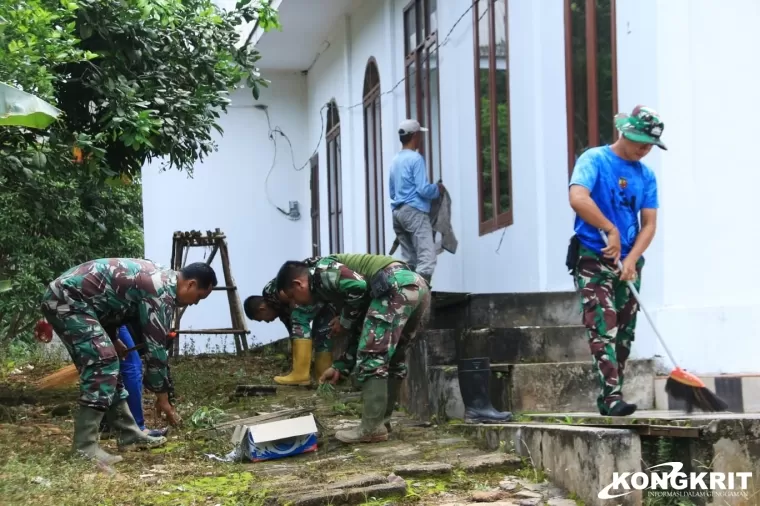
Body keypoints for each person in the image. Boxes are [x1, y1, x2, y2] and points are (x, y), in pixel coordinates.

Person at [40, 259, 217, 464]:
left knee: (110, 364)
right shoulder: (160, 292)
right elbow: (156, 350)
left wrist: (113, 338)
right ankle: (84, 448)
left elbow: (113, 304)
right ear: (191, 284)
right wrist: (163, 398)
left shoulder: (161, 280)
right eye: (199, 297)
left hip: (79, 301)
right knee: (103, 364)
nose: (195, 303)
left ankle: (129, 434)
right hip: (66, 299)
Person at [567, 105, 664, 417]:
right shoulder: (594, 160)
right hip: (593, 257)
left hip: (629, 264)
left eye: (650, 145)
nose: (645, 150)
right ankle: (611, 398)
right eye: (641, 143)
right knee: (602, 325)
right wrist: (609, 230)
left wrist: (633, 258)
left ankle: (614, 392)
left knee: (624, 330)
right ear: (625, 133)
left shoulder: (646, 175)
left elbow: (648, 223)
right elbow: (578, 198)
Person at [276, 253, 431, 444]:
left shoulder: (321, 272)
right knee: (392, 359)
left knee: (373, 358)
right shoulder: (335, 285)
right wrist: (341, 366)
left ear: (299, 283)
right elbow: (363, 330)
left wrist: (344, 320)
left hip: (393, 285)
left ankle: (371, 428)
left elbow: (359, 286)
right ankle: (382, 422)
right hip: (414, 286)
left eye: (293, 297)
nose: (296, 304)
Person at [243, 275, 338, 385]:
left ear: (262, 309)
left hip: (322, 292)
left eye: (263, 319)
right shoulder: (283, 313)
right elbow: (295, 335)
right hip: (326, 304)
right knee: (322, 333)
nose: (267, 322)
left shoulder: (271, 292)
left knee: (298, 317)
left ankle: (301, 375)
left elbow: (297, 296)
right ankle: (323, 379)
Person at [389, 119, 444, 285]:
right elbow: (422, 189)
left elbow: (392, 191)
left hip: (398, 214)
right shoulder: (416, 159)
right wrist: (437, 189)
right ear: (415, 136)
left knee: (409, 261)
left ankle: (405, 296)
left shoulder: (395, 160)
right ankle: (419, 297)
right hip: (414, 212)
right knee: (427, 258)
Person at [99, 325, 168, 438]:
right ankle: (136, 427)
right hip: (110, 320)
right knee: (131, 365)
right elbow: (156, 353)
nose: (194, 305)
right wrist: (163, 398)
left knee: (107, 365)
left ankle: (106, 425)